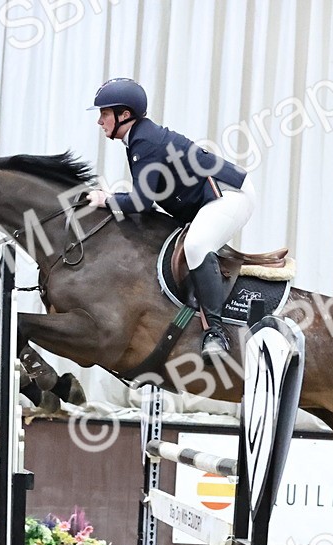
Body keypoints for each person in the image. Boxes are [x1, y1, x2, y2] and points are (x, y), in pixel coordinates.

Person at [86, 77, 254, 357]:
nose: (100, 121)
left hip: (229, 195)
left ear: (123, 115)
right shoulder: (138, 139)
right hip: (211, 198)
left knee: (198, 246)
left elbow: (141, 201)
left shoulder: (145, 142)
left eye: (104, 113)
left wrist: (106, 199)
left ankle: (216, 332)